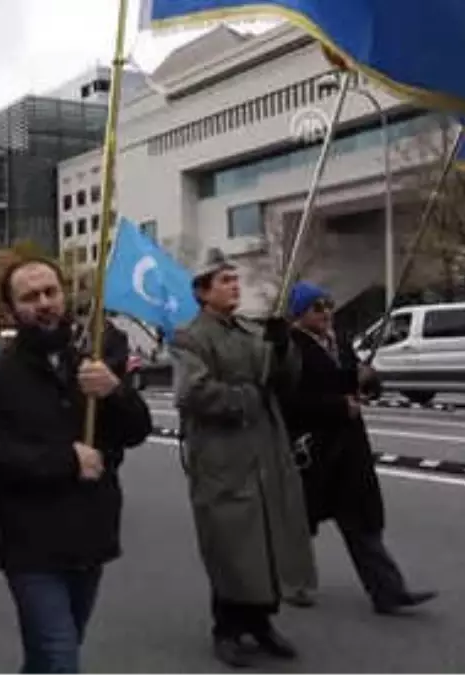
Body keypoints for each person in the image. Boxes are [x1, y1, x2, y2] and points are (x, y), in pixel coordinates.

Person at [0, 259, 151, 674]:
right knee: (60, 655)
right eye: (30, 297)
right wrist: (65, 460)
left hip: (91, 533)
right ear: (12, 310)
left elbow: (137, 431)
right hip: (31, 542)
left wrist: (116, 392)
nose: (44, 304)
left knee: (49, 655)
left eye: (51, 292)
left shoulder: (90, 362)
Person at [172, 253, 315, 668]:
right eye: (224, 280)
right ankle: (227, 628)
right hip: (222, 453)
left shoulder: (252, 331)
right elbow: (193, 393)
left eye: (235, 279)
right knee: (230, 542)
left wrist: (283, 346)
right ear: (202, 291)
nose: (234, 286)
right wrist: (247, 397)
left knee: (267, 538)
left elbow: (284, 380)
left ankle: (261, 621)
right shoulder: (189, 337)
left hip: (266, 447)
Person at [281, 282, 437, 614]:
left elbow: (356, 380)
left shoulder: (339, 342)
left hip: (350, 450)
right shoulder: (289, 350)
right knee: (299, 524)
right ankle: (291, 582)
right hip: (313, 451)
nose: (326, 313)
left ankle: (388, 591)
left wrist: (367, 381)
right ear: (298, 316)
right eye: (317, 308)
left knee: (362, 521)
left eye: (328, 305)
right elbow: (289, 402)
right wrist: (339, 407)